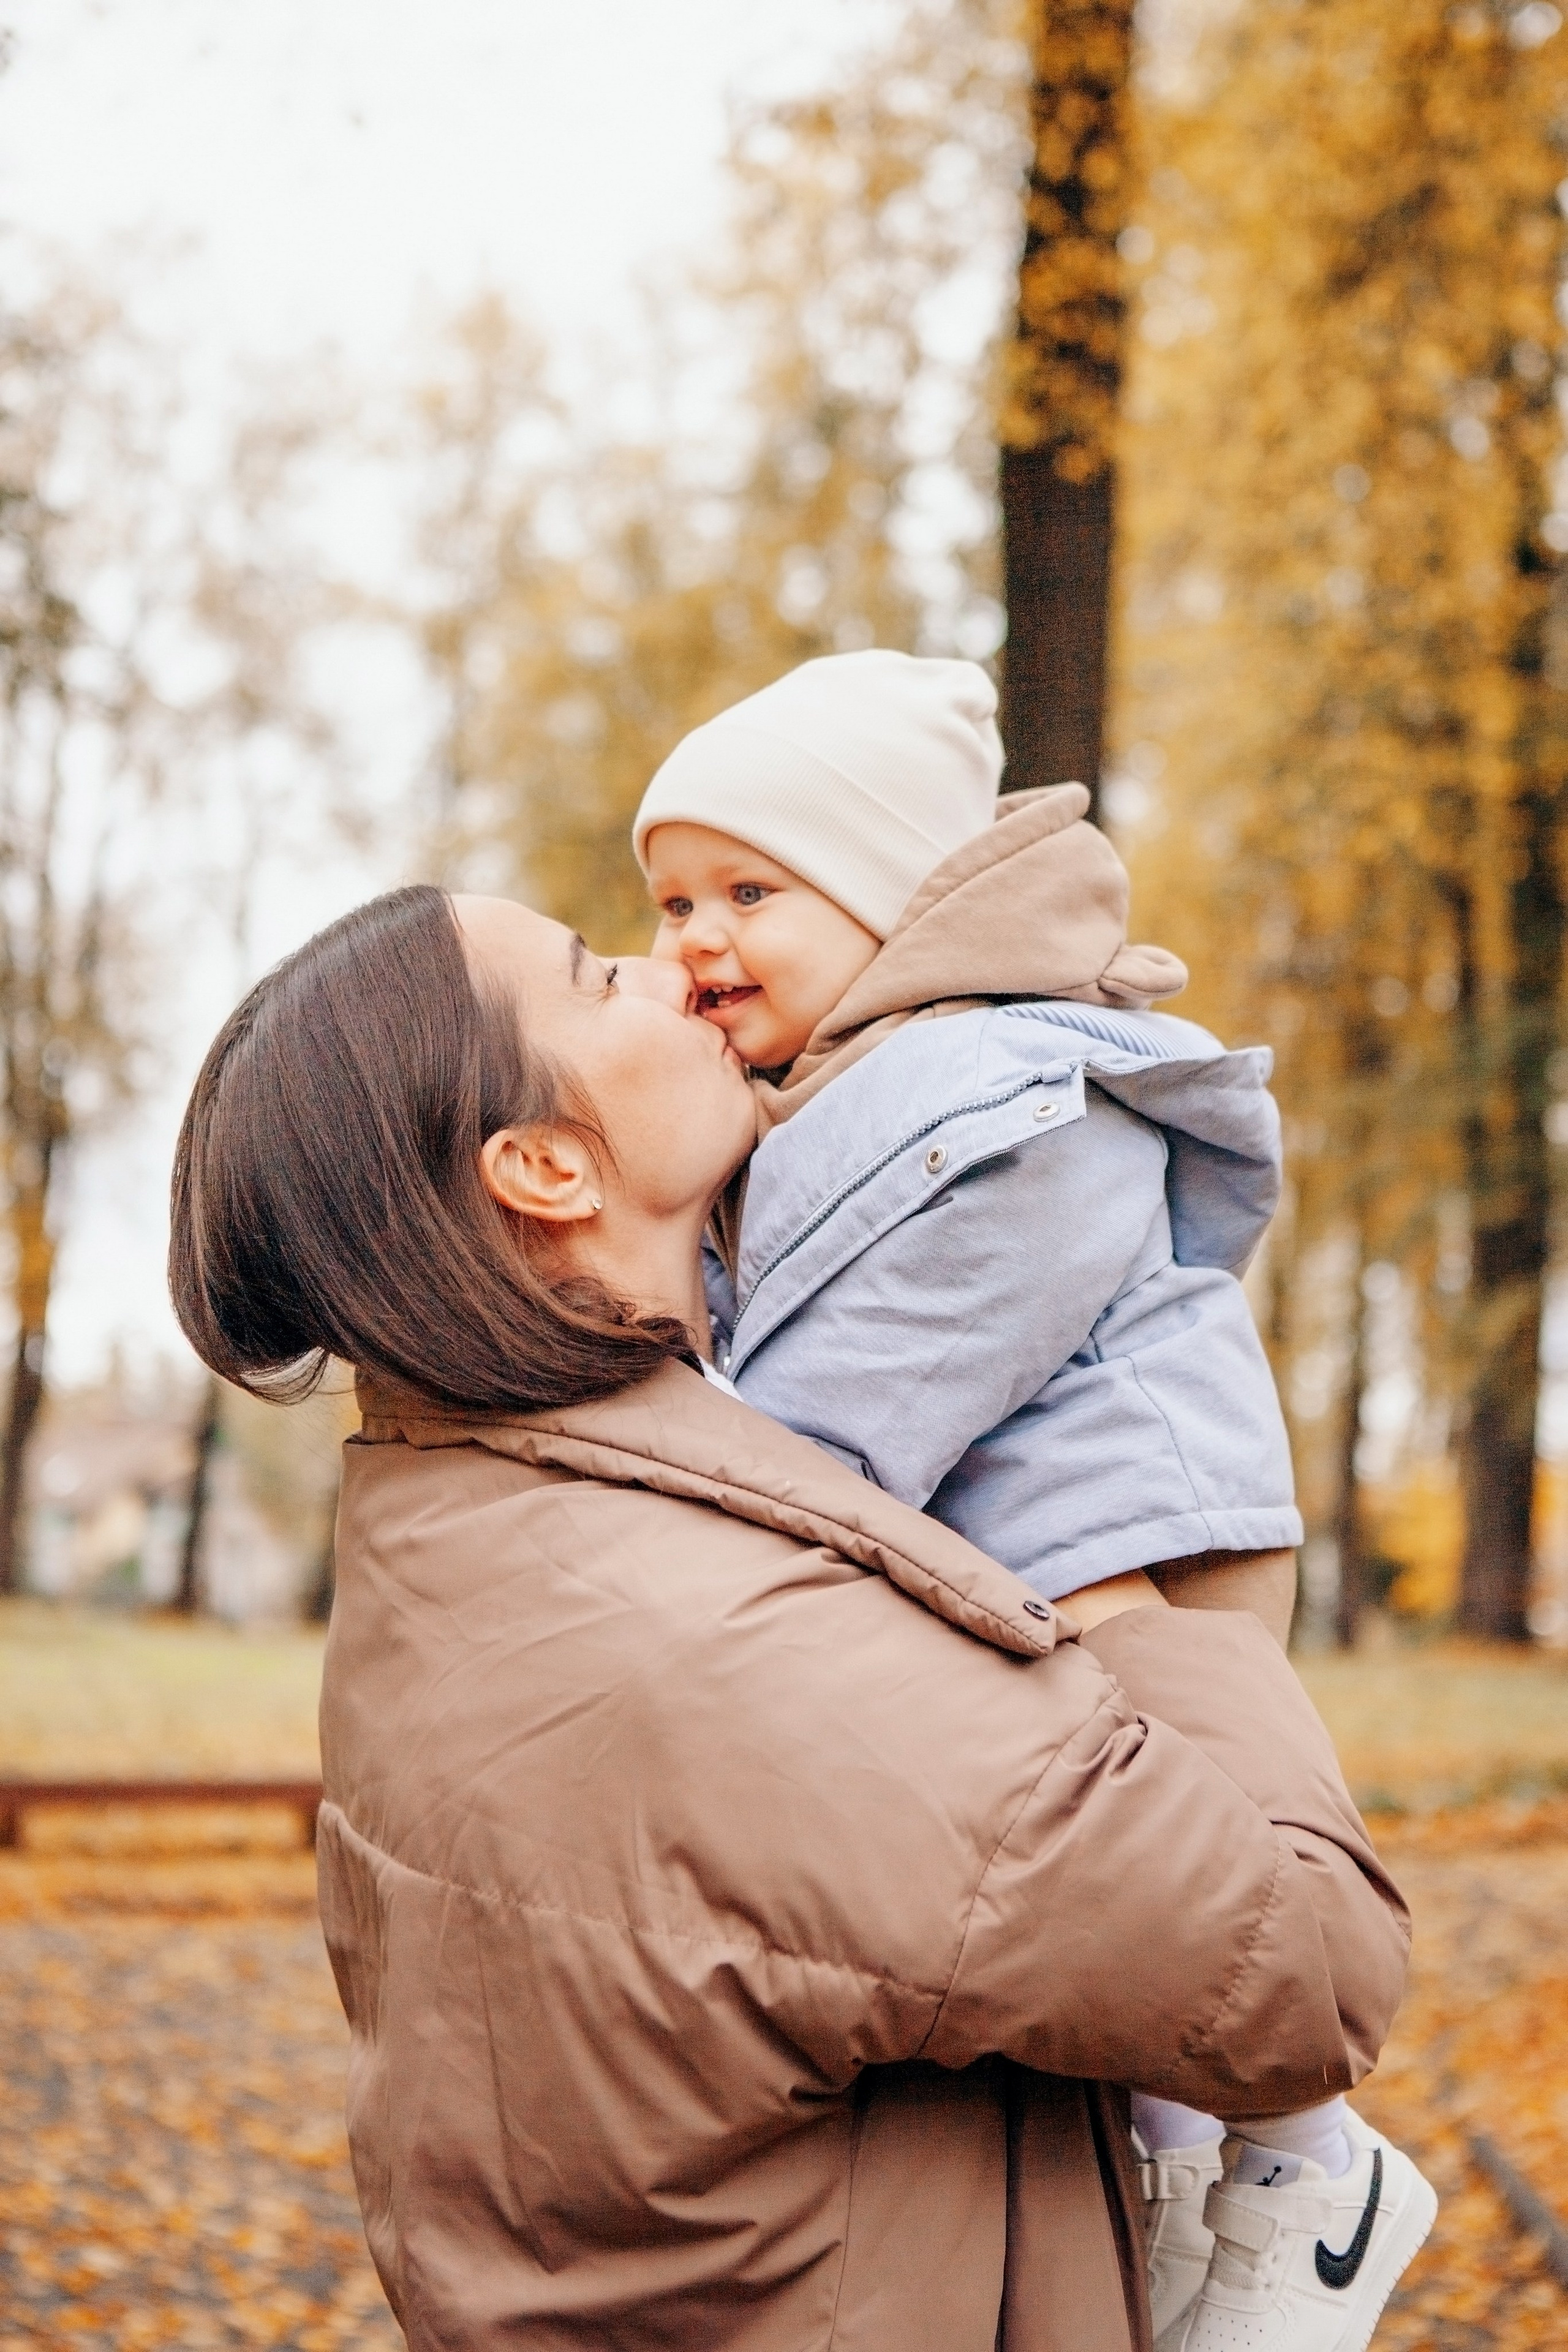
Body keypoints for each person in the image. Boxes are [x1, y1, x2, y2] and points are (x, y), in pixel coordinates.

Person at [168, 883, 1411, 2352]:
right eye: (590, 974)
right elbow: (1310, 1967)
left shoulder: (449, 1536)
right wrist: (1125, 1581)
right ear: (547, 1167)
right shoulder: (728, 1644)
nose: (663, 969)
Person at [635, 650, 1437, 2352]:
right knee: (1126, 1946)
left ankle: (1316, 2179)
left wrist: (737, 1476)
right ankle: (1186, 2190)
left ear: (890, 895)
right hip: (1040, 1558)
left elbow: (878, 1389)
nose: (693, 936)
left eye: (747, 889)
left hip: (1131, 1558)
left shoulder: (998, 1097)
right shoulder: (839, 1098)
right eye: (669, 900)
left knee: (1190, 1885)